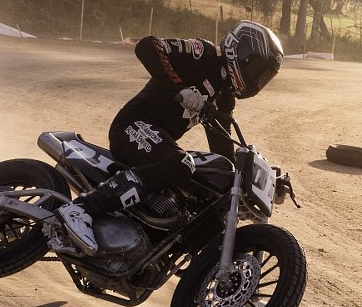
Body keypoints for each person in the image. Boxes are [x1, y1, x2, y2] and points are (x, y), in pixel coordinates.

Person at [57, 20, 284, 255]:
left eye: (264, 77)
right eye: (257, 70)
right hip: (132, 126)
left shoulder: (225, 99)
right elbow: (148, 46)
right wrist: (180, 88)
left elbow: (223, 152)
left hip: (154, 145)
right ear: (240, 50)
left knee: (217, 179)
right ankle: (83, 208)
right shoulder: (203, 54)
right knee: (181, 163)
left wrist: (264, 178)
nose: (257, 80)